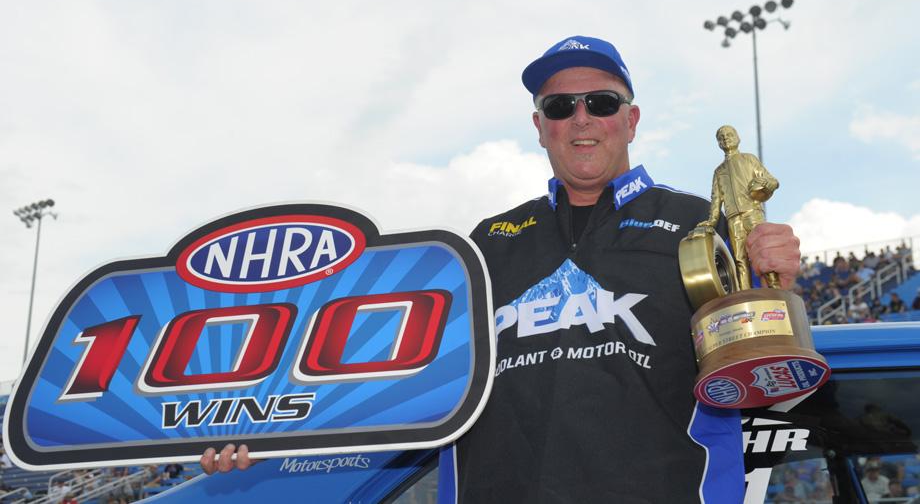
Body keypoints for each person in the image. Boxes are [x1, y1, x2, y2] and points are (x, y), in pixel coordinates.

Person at [200, 35, 803, 502]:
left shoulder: (700, 223)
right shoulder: (485, 243)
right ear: (540, 127)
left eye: (601, 103)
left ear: (631, 120)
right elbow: (392, 373)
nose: (581, 118)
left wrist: (777, 284)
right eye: (560, 106)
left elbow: (765, 366)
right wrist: (265, 427)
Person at [693, 124, 779, 290]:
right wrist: (711, 221)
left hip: (752, 213)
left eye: (729, 135)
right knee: (739, 259)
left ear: (738, 138)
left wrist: (768, 184)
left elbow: (773, 180)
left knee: (763, 251)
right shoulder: (719, 171)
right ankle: (745, 294)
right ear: (719, 143)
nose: (725, 139)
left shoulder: (749, 159)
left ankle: (775, 288)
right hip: (733, 218)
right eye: (721, 137)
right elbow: (716, 199)